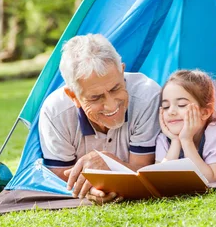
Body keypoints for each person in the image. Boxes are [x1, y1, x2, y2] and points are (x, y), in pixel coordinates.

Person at [38, 34, 161, 202]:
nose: (111, 106)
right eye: (95, 98)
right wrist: (93, 189)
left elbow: (145, 169)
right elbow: (61, 174)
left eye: (116, 88)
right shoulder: (55, 111)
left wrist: (111, 164)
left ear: (122, 70)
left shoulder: (147, 96)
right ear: (72, 95)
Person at [156, 69, 216, 182]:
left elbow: (210, 178)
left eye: (181, 105)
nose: (171, 112)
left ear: (205, 112)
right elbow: (157, 179)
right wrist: (175, 142)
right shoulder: (165, 137)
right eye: (165, 106)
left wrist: (186, 140)